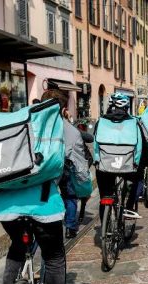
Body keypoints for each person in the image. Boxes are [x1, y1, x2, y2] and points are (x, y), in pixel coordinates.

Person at [0, 90, 89, 284]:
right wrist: (84, 194)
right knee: (54, 257)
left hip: (7, 206)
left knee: (18, 247)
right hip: (44, 205)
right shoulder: (66, 129)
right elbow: (80, 171)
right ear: (61, 108)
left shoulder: (18, 120)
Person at [93, 93, 148, 221]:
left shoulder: (100, 122)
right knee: (138, 178)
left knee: (104, 195)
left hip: (104, 167)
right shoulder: (134, 122)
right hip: (128, 165)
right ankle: (129, 207)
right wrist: (147, 161)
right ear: (127, 107)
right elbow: (143, 146)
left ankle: (105, 226)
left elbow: (96, 147)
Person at [42, 90, 90, 239]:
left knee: (45, 196)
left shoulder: (34, 125)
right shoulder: (71, 130)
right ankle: (70, 227)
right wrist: (84, 180)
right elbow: (79, 158)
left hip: (43, 168)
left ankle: (45, 224)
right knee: (70, 196)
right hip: (66, 167)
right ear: (63, 110)